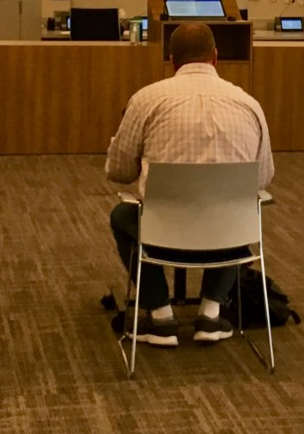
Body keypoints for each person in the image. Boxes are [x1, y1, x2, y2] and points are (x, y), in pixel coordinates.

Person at [105, 23, 275, 347]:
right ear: (215, 57)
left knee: (121, 217)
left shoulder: (145, 100)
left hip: (161, 233)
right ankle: (210, 314)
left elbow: (118, 171)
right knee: (244, 207)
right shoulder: (249, 104)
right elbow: (263, 178)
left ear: (172, 61)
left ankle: (160, 317)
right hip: (228, 235)